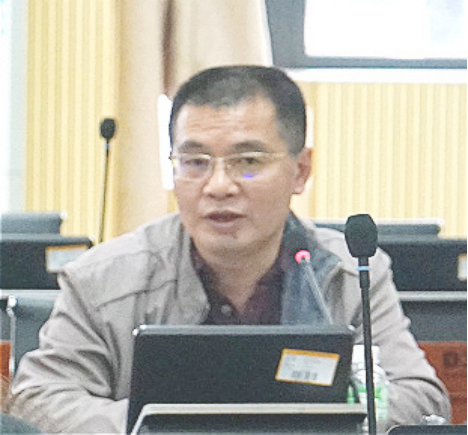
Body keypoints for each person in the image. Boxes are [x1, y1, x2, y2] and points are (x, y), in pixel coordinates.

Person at [9, 66, 450, 433]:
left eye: (248, 162)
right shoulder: (104, 277)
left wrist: (310, 423)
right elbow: (39, 398)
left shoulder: (350, 273)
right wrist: (168, 426)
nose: (218, 186)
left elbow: (421, 397)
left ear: (300, 171)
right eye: (195, 162)